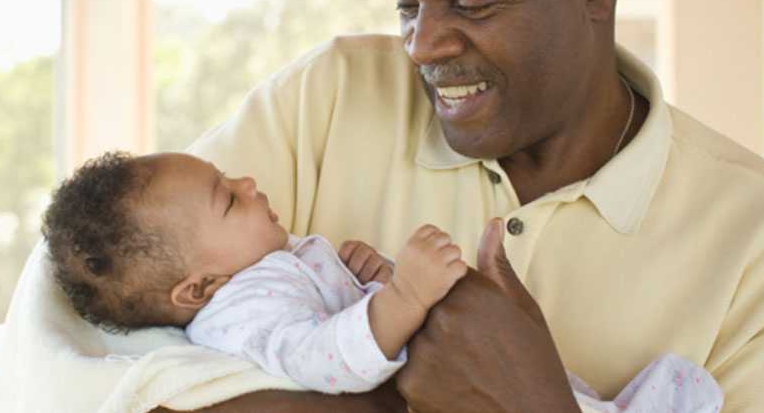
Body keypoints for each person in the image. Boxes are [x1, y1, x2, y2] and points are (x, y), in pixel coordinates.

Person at [0, 0, 764, 412]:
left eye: (469, 4)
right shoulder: (329, 97)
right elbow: (70, 324)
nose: (423, 46)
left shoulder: (751, 239)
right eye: (407, 4)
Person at [40, 151, 466, 394]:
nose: (247, 183)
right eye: (228, 200)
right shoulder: (239, 315)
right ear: (199, 287)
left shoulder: (249, 270)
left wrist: (370, 283)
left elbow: (337, 319)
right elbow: (325, 359)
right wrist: (406, 296)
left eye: (227, 177)